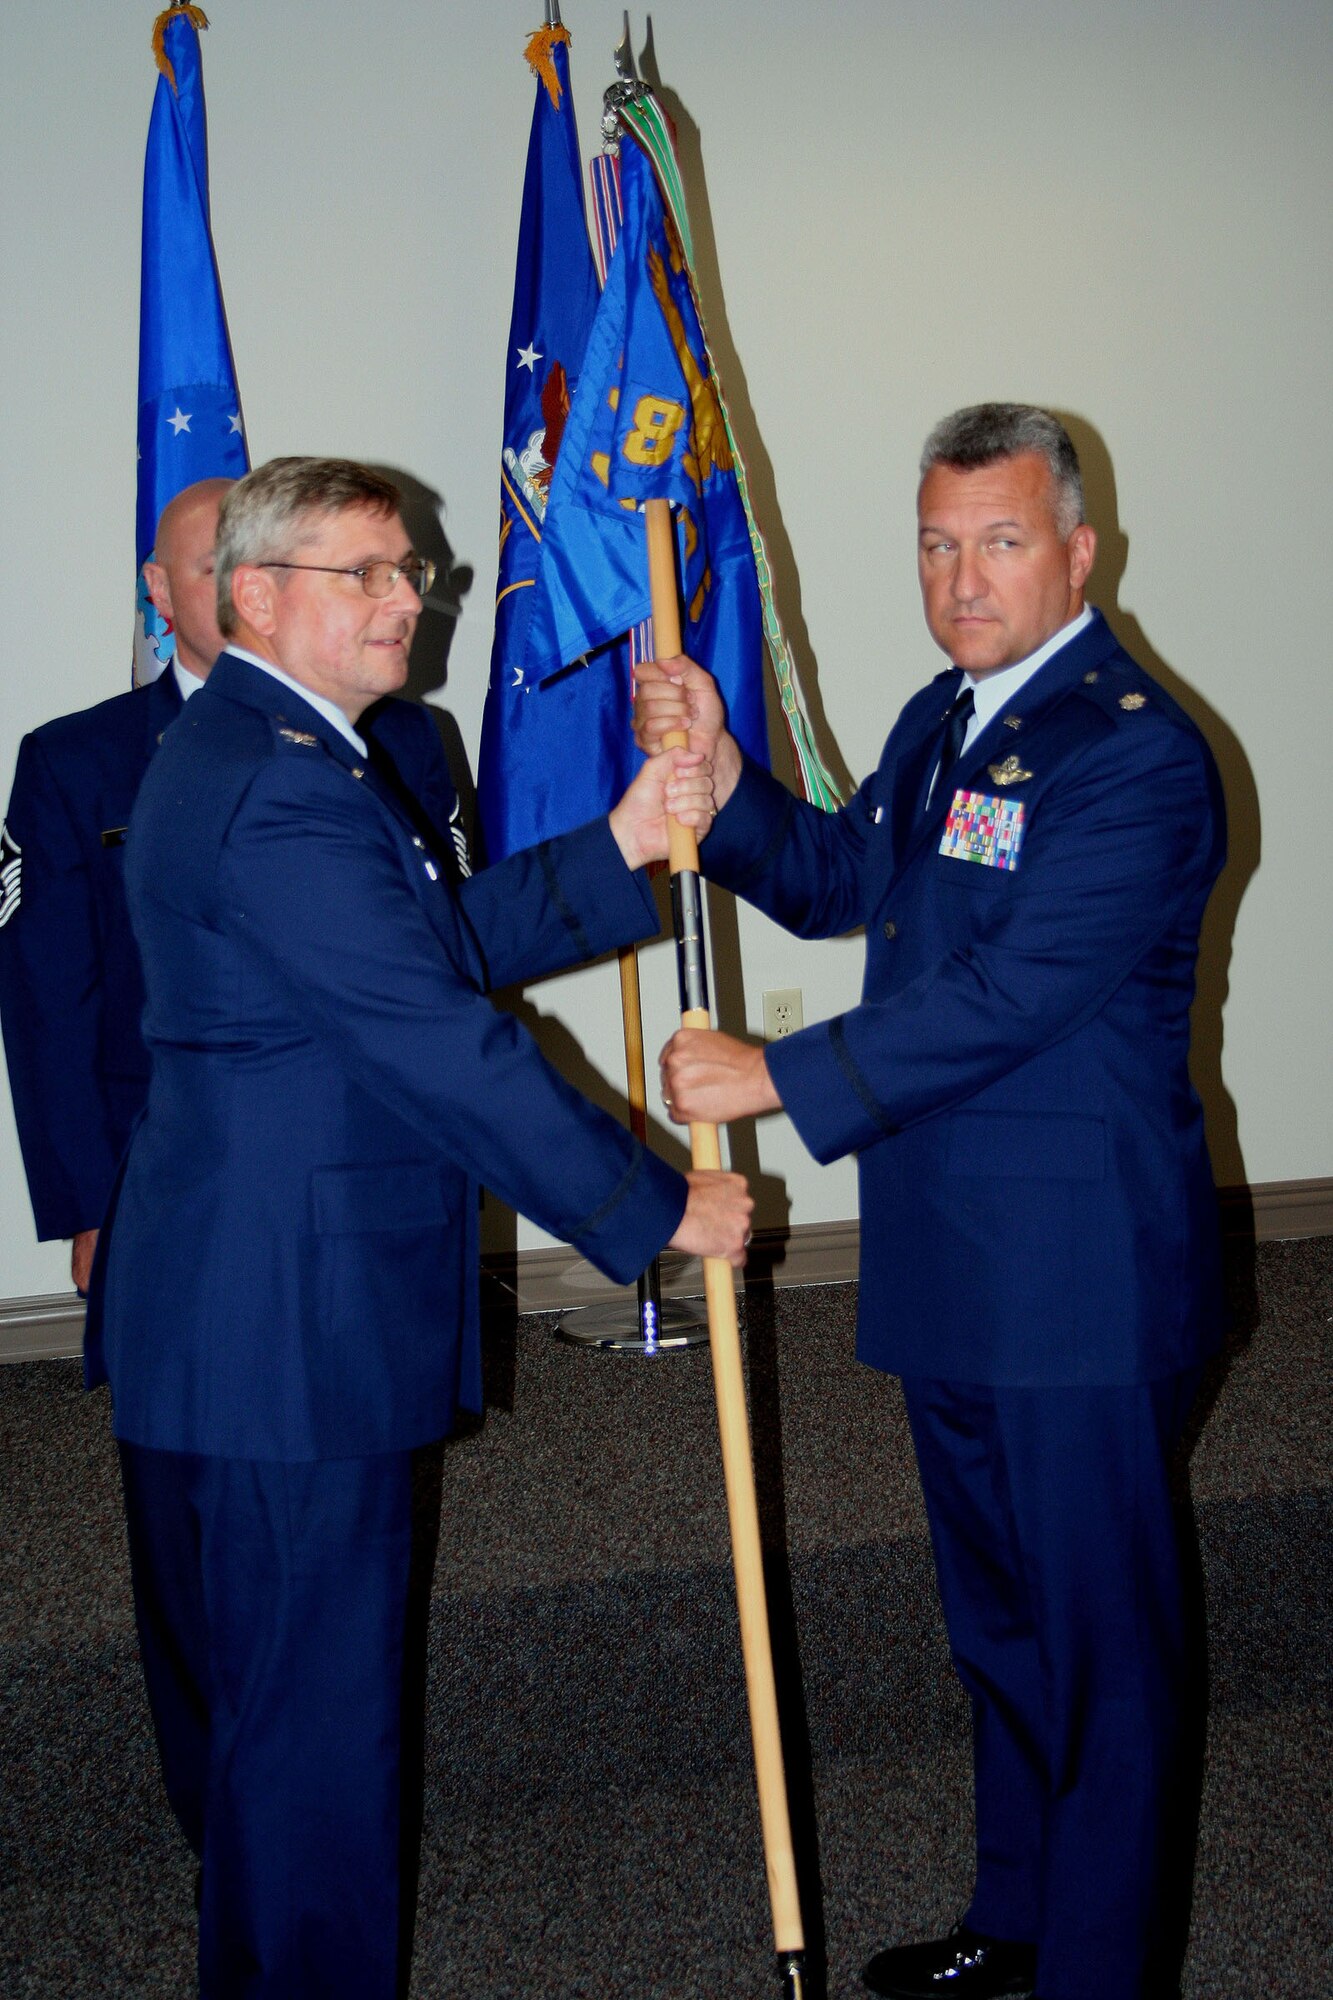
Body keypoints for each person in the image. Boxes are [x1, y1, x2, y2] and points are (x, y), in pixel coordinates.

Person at [86, 455, 750, 2000]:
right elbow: (440, 1041)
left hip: (245, 1300)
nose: (409, 601)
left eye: (413, 574)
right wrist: (654, 1203)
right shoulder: (281, 780)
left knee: (280, 1722)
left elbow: (415, 948)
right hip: (288, 1329)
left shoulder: (264, 750)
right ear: (257, 595)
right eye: (368, 574)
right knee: (314, 1737)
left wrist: (621, 847)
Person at [643, 406, 1226, 2000]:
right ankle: (1019, 1918)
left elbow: (1013, 994)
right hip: (958, 1258)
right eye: (935, 542)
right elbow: (845, 879)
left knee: (1101, 1661)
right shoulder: (945, 717)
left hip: (1076, 1279)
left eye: (1000, 541)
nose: (962, 578)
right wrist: (723, 765)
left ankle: (1100, 1975)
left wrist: (774, 1077)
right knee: (1001, 1630)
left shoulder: (1135, 752)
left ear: (1078, 552)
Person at [0, 477, 467, 1293]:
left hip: (377, 1145)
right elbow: (49, 1006)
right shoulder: (74, 764)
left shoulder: (406, 739)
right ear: (158, 589)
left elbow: (450, 947)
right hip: (170, 1154)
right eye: (211, 565)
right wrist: (87, 1201)